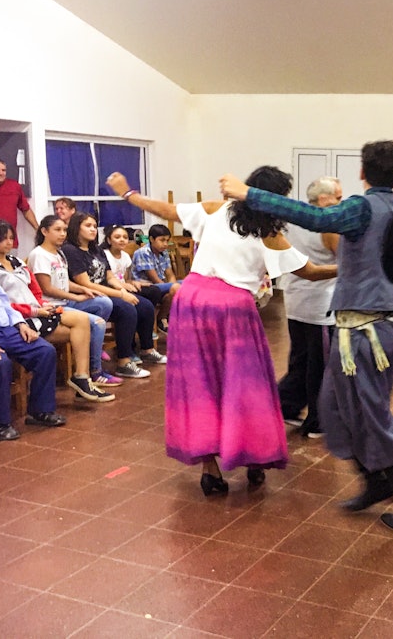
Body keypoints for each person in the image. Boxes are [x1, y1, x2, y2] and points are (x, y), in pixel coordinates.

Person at [219, 140, 393, 532]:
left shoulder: (362, 207)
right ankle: (376, 481)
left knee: (372, 416)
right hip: (361, 329)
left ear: (362, 172)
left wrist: (249, 193)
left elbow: (313, 217)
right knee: (336, 408)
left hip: (365, 335)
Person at [107, 166, 337, 496]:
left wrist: (129, 194)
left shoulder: (218, 209)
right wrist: (351, 269)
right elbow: (311, 272)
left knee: (201, 383)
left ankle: (210, 469)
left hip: (192, 301)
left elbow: (168, 211)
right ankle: (254, 456)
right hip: (231, 308)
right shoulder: (269, 232)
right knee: (244, 384)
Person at [0, 219, 114, 402]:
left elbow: (35, 289)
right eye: (4, 238)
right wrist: (33, 310)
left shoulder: (16, 261)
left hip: (38, 309)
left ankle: (82, 377)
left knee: (83, 321)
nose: (9, 242)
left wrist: (41, 304)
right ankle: (88, 374)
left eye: (11, 238)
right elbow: (1, 304)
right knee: (83, 327)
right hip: (21, 318)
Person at [278, 176, 343, 439]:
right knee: (322, 366)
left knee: (300, 360)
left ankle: (285, 406)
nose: (341, 202)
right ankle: (318, 422)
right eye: (338, 198)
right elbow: (346, 260)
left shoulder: (292, 221)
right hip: (320, 309)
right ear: (324, 199)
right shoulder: (328, 227)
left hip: (295, 302)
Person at [61, 211, 162, 378]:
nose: (93, 229)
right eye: (88, 226)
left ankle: (147, 349)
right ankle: (124, 361)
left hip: (106, 291)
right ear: (76, 228)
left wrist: (123, 289)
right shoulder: (71, 250)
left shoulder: (96, 250)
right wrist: (121, 295)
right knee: (127, 309)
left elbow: (109, 276)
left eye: (94, 226)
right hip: (91, 295)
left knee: (144, 305)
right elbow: (86, 283)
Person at [27, 216, 123, 387]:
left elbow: (64, 282)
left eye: (64, 230)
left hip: (66, 301)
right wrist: (76, 297)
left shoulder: (60, 253)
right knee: (97, 323)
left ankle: (94, 348)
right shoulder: (39, 254)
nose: (62, 234)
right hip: (51, 305)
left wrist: (84, 289)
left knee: (103, 301)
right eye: (57, 230)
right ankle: (95, 372)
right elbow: (46, 288)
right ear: (44, 231)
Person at [0, 274, 67, 441]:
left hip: (7, 329)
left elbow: (5, 304)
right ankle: (0, 423)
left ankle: (40, 411)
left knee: (44, 352)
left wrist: (21, 324)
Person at [131, 224, 181, 333]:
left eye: (167, 240)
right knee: (178, 287)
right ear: (151, 239)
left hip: (161, 286)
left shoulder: (164, 252)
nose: (165, 244)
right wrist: (172, 286)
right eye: (162, 240)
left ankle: (164, 318)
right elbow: (154, 278)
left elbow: (170, 274)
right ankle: (163, 318)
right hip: (148, 287)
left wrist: (173, 288)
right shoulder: (143, 252)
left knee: (185, 284)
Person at [0, 157, 39, 249]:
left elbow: (26, 210)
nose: (1, 173)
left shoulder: (14, 186)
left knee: (10, 263)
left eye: (3, 170)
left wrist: (37, 228)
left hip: (10, 242)